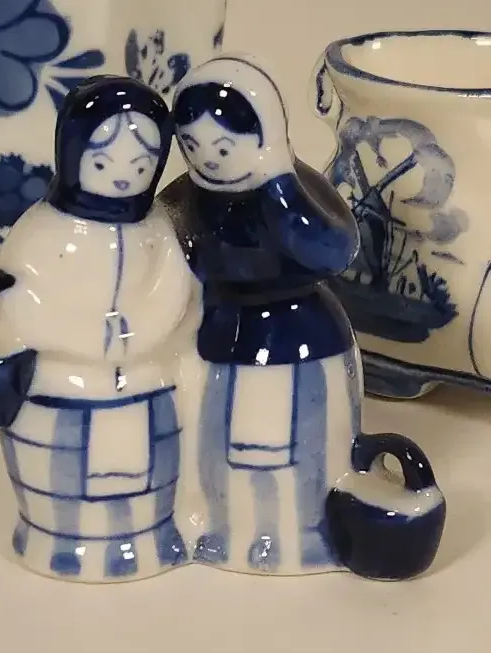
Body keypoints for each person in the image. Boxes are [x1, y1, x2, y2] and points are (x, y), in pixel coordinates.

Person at [0, 76, 196, 582]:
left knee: (146, 474)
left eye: (140, 164)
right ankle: (56, 543)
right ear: (72, 154)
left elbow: (173, 292)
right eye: (103, 162)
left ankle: (148, 540)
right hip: (60, 388)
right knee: (62, 477)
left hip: (145, 383)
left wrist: (136, 334)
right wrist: (92, 337)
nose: (123, 177)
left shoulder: (159, 229)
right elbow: (19, 305)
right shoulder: (42, 231)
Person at [171, 54, 362, 573]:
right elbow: (161, 245)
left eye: (223, 147)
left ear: (266, 135)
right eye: (192, 146)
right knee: (219, 447)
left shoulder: (292, 191)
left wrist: (279, 191)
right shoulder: (189, 197)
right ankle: (227, 529)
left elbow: (336, 249)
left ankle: (305, 535)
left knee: (299, 450)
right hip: (217, 338)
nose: (209, 160)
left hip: (302, 342)